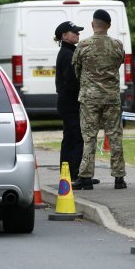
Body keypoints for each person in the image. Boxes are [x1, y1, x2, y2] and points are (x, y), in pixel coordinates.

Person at [72, 9, 127, 190]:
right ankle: (119, 177)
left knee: (89, 137)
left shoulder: (83, 46)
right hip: (111, 97)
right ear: (109, 26)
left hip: (90, 98)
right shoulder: (118, 45)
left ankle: (86, 176)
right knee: (115, 136)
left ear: (92, 24)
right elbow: (119, 63)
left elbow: (77, 71)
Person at [54, 20, 92, 184]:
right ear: (64, 35)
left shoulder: (68, 52)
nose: (78, 34)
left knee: (69, 138)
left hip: (67, 102)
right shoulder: (68, 54)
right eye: (74, 32)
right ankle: (76, 174)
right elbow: (71, 81)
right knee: (77, 138)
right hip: (71, 102)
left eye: (78, 32)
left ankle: (67, 174)